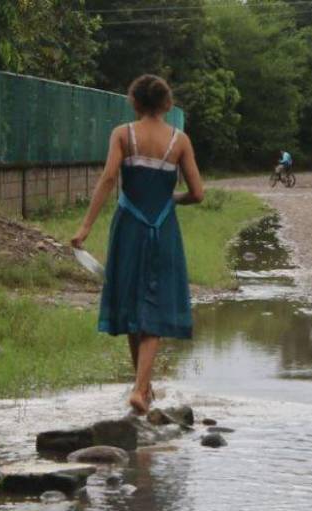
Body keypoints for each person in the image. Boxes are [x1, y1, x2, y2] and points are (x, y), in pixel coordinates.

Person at [71, 74, 205, 415]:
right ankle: (141, 389)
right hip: (163, 228)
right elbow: (198, 193)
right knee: (154, 307)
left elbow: (109, 179)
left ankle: (141, 388)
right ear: (167, 104)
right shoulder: (180, 140)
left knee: (134, 303)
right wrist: (173, 198)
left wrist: (85, 227)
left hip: (127, 227)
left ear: (134, 102)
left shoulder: (122, 134)